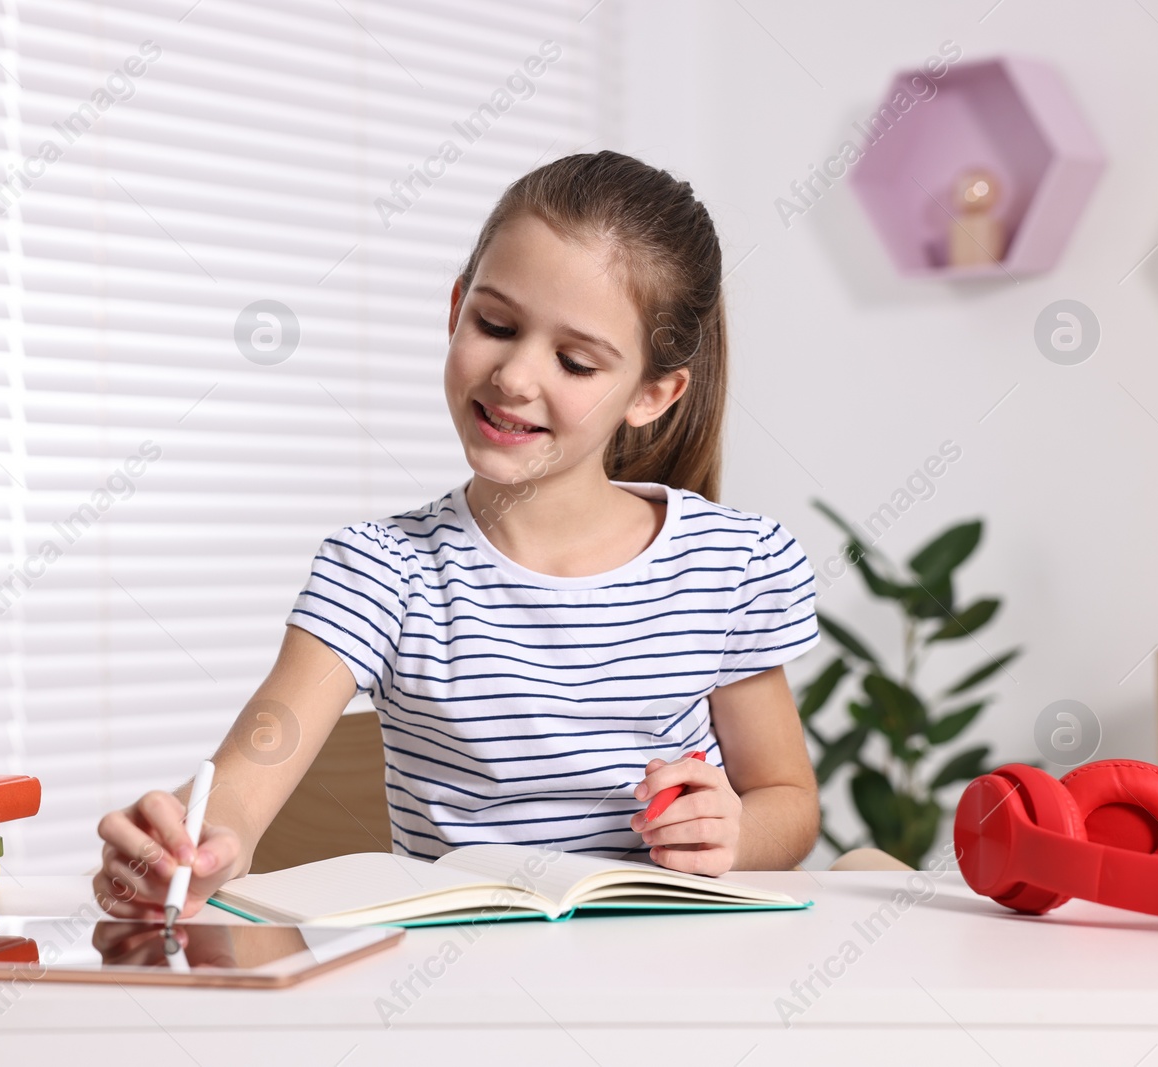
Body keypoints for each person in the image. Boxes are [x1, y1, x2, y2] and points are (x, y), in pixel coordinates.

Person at [95, 150, 821, 921]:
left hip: (665, 981)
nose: (514, 376)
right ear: (455, 309)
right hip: (456, 979)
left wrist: (734, 831)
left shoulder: (731, 566)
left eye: (574, 362)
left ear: (651, 393)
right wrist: (189, 841)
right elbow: (247, 776)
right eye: (495, 324)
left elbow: (790, 801)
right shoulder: (381, 569)